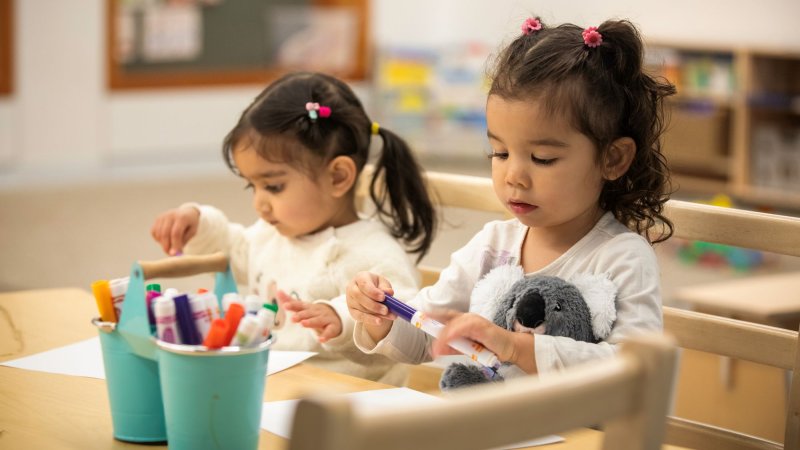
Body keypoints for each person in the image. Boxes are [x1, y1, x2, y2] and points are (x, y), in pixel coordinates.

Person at [346, 16, 675, 376]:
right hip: (491, 426)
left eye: (542, 159)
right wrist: (383, 315)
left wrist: (515, 346)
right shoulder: (492, 246)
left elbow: (635, 368)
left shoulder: (622, 259)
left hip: (576, 431)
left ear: (612, 159)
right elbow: (427, 335)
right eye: (500, 153)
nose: (514, 176)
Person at [150, 72, 436, 384]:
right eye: (252, 187)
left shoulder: (375, 254)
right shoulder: (272, 234)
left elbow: (409, 332)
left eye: (273, 186)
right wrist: (198, 223)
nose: (260, 203)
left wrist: (342, 319)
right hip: (275, 388)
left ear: (338, 177)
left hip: (349, 407)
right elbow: (235, 249)